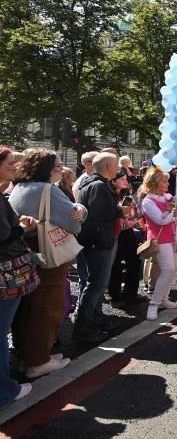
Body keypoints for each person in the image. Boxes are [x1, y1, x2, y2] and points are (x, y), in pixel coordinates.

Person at [9, 149, 85, 375]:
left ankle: (31, 356)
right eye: (57, 164)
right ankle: (38, 360)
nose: (61, 167)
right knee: (48, 307)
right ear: (45, 168)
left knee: (29, 307)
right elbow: (74, 223)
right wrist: (81, 210)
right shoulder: (47, 190)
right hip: (48, 253)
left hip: (26, 251)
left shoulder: (20, 187)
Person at [74, 152, 132, 341]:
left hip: (94, 240)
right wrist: (119, 210)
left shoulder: (91, 182)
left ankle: (93, 320)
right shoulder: (98, 185)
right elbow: (100, 212)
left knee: (95, 284)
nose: (118, 169)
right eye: (116, 165)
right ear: (108, 166)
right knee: (95, 285)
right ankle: (84, 327)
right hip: (99, 241)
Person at [0, 146, 38, 402]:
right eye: (11, 163)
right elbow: (3, 236)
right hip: (6, 270)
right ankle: (6, 391)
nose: (15, 166)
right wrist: (22, 227)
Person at [140, 167, 177, 321]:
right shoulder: (147, 201)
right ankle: (153, 304)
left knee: (173, 270)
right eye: (164, 181)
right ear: (154, 183)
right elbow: (160, 220)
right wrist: (173, 214)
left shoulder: (168, 196)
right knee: (167, 269)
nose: (168, 183)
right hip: (161, 239)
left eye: (167, 180)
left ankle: (164, 299)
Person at [108, 170, 145, 307]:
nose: (126, 181)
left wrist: (134, 217)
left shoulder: (127, 195)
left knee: (134, 261)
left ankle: (131, 292)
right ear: (113, 181)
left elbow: (136, 214)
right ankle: (115, 296)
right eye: (121, 179)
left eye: (125, 178)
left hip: (128, 231)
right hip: (116, 233)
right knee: (116, 265)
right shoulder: (109, 195)